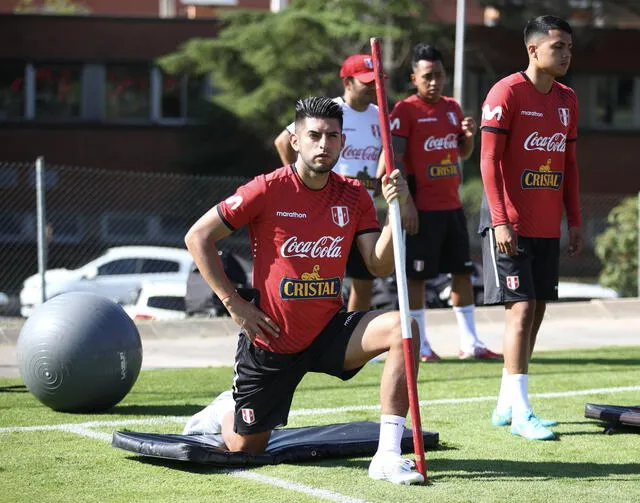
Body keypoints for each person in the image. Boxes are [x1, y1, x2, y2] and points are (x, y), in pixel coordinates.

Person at [183, 97, 424, 485]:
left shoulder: (354, 195)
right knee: (246, 450)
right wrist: (234, 304)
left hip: (328, 330)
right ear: (295, 140)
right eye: (313, 135)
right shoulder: (267, 189)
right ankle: (224, 411)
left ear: (342, 141)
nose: (323, 144)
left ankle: (388, 455)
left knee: (404, 329)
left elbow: (378, 264)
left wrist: (398, 208)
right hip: (272, 338)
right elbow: (197, 237)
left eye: (332, 136)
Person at [479, 15, 583, 440]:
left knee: (536, 311)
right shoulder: (506, 92)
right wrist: (501, 220)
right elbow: (486, 161)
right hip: (510, 224)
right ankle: (522, 412)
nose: (566, 54)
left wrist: (574, 221)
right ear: (533, 50)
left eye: (570, 48)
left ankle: (508, 402)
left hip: (546, 225)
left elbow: (569, 165)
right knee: (520, 309)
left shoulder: (568, 99)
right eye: (558, 47)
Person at [378, 43, 501, 362]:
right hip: (421, 209)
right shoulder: (405, 111)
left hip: (452, 207)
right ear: (414, 77)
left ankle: (470, 342)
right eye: (428, 76)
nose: (434, 82)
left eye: (440, 76)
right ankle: (421, 345)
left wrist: (469, 137)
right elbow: (393, 161)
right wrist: (406, 203)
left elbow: (462, 153)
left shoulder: (451, 108)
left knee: (462, 273)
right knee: (418, 276)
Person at [274, 54, 383, 313]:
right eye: (365, 81)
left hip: (361, 207)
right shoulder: (329, 112)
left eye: (375, 80)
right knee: (319, 275)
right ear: (347, 82)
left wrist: (378, 178)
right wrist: (296, 181)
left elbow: (385, 154)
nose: (372, 87)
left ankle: (353, 338)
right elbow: (283, 141)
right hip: (327, 205)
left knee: (365, 277)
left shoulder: (380, 115)